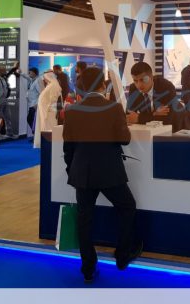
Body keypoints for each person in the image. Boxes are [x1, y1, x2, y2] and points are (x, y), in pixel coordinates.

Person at [63, 67, 141, 282]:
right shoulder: (114, 108)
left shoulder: (72, 110)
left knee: (84, 219)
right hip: (109, 171)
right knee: (127, 207)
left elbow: (68, 147)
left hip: (82, 173)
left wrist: (73, 170)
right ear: (102, 85)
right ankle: (123, 254)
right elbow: (124, 139)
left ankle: (88, 267)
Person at [126, 62, 182, 132]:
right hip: (149, 131)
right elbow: (129, 117)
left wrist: (139, 118)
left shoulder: (166, 87)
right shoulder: (133, 88)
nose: (139, 85)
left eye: (142, 80)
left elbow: (167, 119)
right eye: (135, 81)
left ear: (151, 77)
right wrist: (154, 114)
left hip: (175, 128)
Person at [33, 71, 62, 148]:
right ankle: (46, 144)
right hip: (46, 110)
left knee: (49, 127)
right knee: (47, 127)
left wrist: (48, 109)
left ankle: (49, 144)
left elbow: (53, 99)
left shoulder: (53, 86)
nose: (44, 80)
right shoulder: (51, 85)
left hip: (49, 111)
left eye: (45, 78)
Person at [0, 65, 14, 138]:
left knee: (8, 116)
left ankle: (9, 133)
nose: (5, 72)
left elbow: (6, 88)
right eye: (3, 70)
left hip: (5, 99)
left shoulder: (3, 78)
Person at [26, 67, 42, 134]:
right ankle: (35, 135)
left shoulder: (37, 81)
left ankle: (36, 135)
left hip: (35, 104)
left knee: (31, 119)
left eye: (30, 72)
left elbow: (41, 93)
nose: (29, 73)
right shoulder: (32, 80)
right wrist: (20, 73)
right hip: (31, 104)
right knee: (31, 120)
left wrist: (37, 104)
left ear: (34, 73)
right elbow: (26, 77)